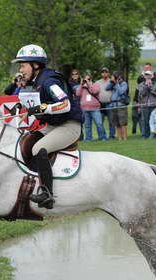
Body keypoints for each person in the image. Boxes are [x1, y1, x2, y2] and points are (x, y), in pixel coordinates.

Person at [12, 44, 82, 209]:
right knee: (25, 141)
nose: (21, 70)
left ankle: (47, 194)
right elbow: (36, 103)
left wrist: (38, 109)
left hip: (69, 126)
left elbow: (65, 104)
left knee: (39, 149)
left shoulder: (49, 81)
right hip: (53, 125)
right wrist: (24, 108)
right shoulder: (36, 81)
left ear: (35, 65)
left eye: (23, 65)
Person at [76, 72, 106, 141]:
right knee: (87, 125)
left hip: (94, 108)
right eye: (85, 79)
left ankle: (102, 138)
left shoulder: (95, 84)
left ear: (90, 79)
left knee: (99, 124)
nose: (86, 80)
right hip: (85, 109)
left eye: (88, 78)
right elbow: (77, 94)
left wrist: (89, 84)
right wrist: (81, 84)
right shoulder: (82, 86)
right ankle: (88, 138)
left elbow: (95, 91)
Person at [137, 70, 156, 138]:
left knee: (154, 121)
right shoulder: (141, 85)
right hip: (145, 106)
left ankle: (154, 134)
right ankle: (145, 135)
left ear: (152, 76)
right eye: (146, 75)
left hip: (153, 105)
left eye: (149, 75)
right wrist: (146, 86)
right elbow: (141, 94)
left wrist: (150, 87)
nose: (148, 76)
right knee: (145, 121)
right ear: (144, 76)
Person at [107, 71, 129, 141]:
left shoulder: (124, 83)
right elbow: (106, 88)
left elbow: (121, 92)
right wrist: (111, 82)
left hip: (121, 105)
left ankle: (125, 138)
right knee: (117, 123)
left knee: (123, 123)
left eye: (114, 77)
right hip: (113, 105)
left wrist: (116, 83)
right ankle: (119, 138)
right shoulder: (113, 84)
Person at [95, 67, 114, 139]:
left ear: (108, 73)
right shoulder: (97, 82)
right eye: (103, 72)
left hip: (110, 103)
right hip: (101, 104)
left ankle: (111, 136)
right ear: (101, 74)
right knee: (100, 122)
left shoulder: (111, 81)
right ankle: (103, 136)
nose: (104, 73)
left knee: (111, 121)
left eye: (106, 72)